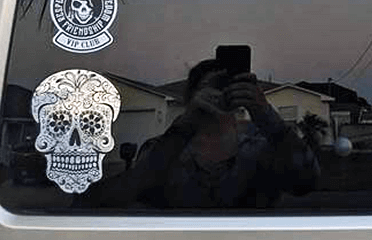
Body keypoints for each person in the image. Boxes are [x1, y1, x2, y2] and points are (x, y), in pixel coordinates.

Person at [78, 59, 320, 208]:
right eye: (210, 87)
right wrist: (186, 124)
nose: (220, 93)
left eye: (227, 86)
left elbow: (306, 183)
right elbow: (109, 199)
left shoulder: (263, 148)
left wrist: (266, 115)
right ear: (191, 97)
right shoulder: (163, 148)